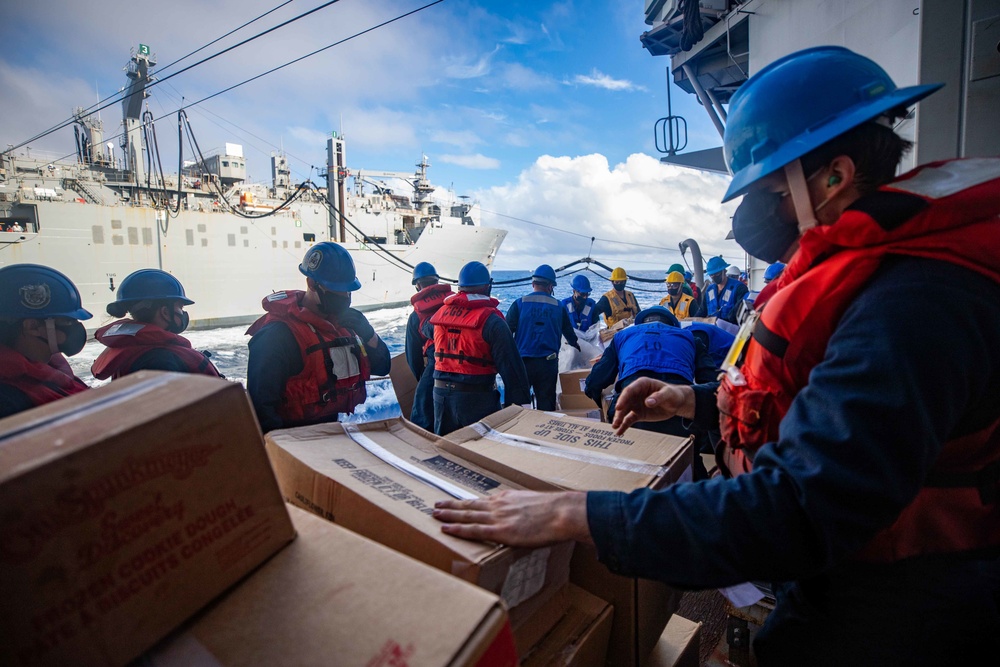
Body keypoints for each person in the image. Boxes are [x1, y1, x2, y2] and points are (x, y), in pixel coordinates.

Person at [432, 46, 1000, 665]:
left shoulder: (912, 302)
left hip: (909, 609)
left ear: (833, 177)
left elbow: (801, 511)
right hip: (856, 573)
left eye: (767, 189)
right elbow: (824, 410)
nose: (751, 212)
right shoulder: (875, 275)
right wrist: (698, 402)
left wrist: (574, 513)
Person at [246, 242, 390, 432]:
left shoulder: (347, 325)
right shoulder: (277, 336)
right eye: (336, 290)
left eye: (348, 290)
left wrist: (368, 333)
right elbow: (261, 410)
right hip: (293, 440)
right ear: (312, 284)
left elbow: (383, 366)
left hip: (332, 432)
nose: (344, 296)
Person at [584, 306, 718, 478]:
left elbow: (597, 380)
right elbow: (711, 382)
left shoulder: (622, 336)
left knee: (628, 473)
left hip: (631, 408)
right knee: (691, 466)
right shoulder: (689, 337)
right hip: (677, 406)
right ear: (673, 325)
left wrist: (597, 399)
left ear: (641, 323)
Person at [430, 261, 530, 435]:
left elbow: (427, 335)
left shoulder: (440, 316)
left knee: (447, 452)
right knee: (483, 453)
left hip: (440, 397)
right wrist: (521, 413)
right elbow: (512, 371)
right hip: (476, 401)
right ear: (487, 286)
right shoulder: (493, 322)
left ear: (460, 287)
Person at [91, 269, 221, 380]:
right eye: (180, 308)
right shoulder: (161, 360)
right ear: (165, 312)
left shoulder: (136, 349)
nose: (183, 313)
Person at [0, 264, 91, 418]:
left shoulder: (48, 369)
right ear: (33, 326)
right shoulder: (8, 401)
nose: (76, 328)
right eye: (68, 321)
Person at [507, 265, 580, 411]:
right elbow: (569, 333)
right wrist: (576, 345)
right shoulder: (559, 307)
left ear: (533, 283)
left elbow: (507, 331)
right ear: (550, 286)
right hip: (548, 364)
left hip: (523, 364)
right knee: (546, 407)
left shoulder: (519, 304)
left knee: (519, 406)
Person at [404, 261, 452, 431]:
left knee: (420, 415)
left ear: (417, 286)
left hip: (436, 364)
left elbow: (413, 356)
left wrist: (422, 379)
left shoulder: (416, 317)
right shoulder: (452, 305)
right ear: (437, 282)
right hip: (463, 364)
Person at [702, 256, 748, 323]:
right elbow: (702, 311)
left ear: (725, 271)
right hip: (712, 330)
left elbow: (740, 313)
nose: (714, 277)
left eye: (717, 274)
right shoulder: (709, 290)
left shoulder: (739, 288)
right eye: (711, 275)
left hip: (731, 331)